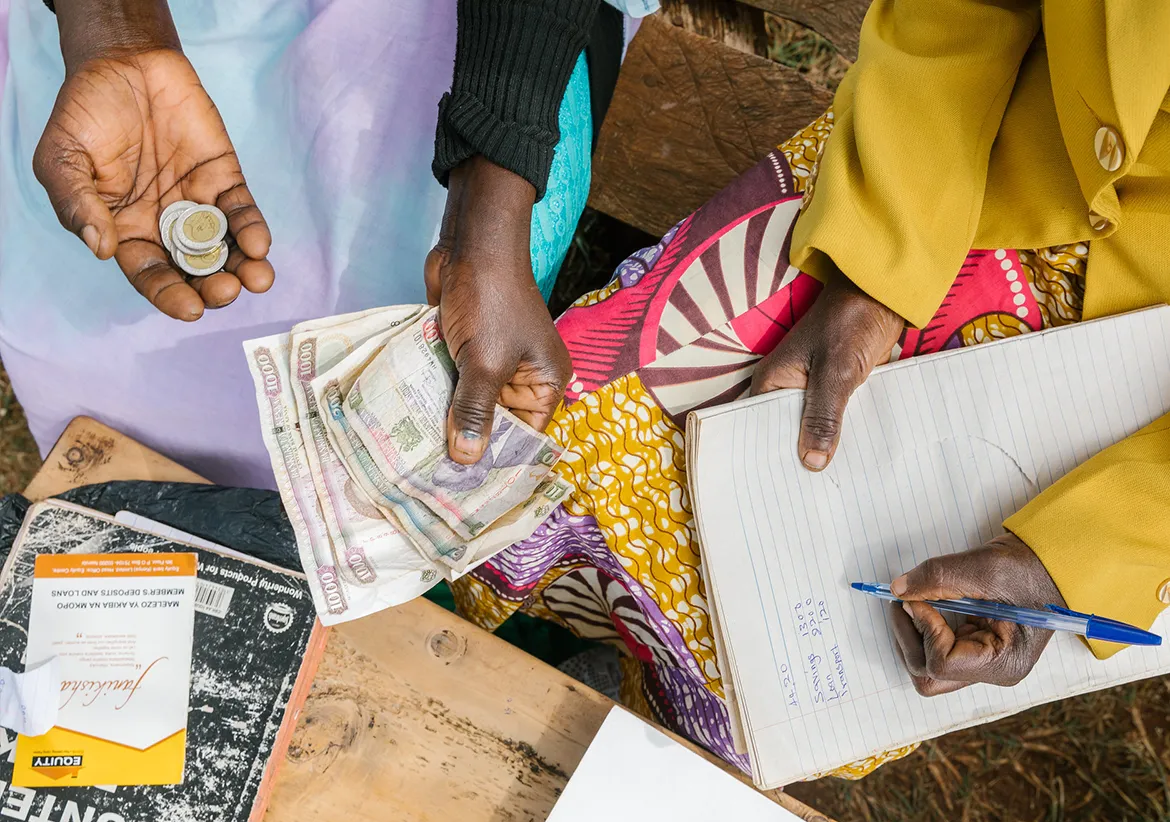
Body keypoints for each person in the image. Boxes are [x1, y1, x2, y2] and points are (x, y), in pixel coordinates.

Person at [450, 0, 1170, 779]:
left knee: (779, 683)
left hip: (1140, 400)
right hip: (953, 159)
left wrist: (1071, 562)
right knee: (550, 447)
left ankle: (617, 715)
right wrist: (876, 269)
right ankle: (520, 652)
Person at [0, 0, 627, 485]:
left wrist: (482, 214)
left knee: (391, 359)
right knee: (68, 328)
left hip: (486, 42)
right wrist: (118, 32)